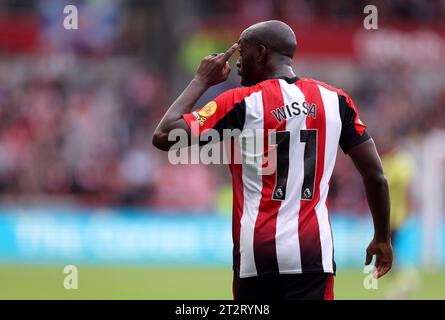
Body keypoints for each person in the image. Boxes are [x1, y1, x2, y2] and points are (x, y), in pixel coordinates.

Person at [152, 20, 393, 300]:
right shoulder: (336, 101)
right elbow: (375, 175)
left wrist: (201, 80)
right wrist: (382, 237)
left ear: (261, 53)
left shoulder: (240, 102)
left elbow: (164, 135)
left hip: (258, 257)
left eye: (242, 53)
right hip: (314, 256)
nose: (237, 63)